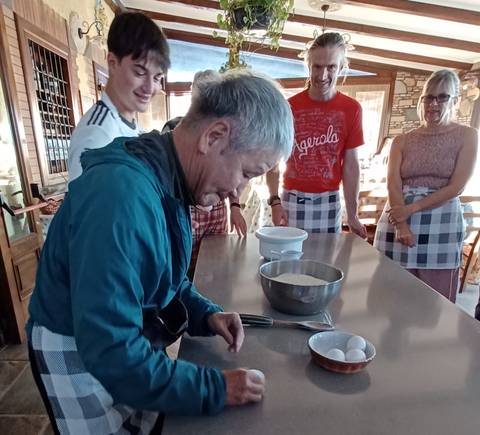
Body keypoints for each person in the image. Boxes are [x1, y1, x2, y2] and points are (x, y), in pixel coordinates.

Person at [27, 68, 294, 434]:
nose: (238, 192)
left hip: (116, 337)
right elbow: (111, 351)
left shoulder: (168, 177)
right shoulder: (120, 197)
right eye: (247, 172)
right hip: (77, 343)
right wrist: (216, 388)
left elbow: (162, 272)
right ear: (214, 136)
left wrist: (205, 314)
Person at [374, 69, 478, 303]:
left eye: (443, 97)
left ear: (456, 101)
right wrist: (401, 224)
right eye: (429, 97)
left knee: (435, 301)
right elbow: (393, 183)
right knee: (389, 295)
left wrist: (411, 209)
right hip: (398, 221)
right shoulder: (402, 140)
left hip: (442, 221)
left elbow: (457, 187)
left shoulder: (468, 136)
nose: (434, 104)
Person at [265, 32, 367, 238]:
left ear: (341, 67)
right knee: (288, 264)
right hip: (292, 200)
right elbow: (273, 160)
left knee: (326, 265)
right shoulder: (288, 107)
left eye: (331, 67)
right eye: (317, 67)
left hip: (329, 201)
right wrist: (275, 201)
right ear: (308, 67)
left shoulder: (352, 109)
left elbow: (350, 165)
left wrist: (353, 215)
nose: (323, 75)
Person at [68, 11, 170, 182]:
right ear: (112, 63)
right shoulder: (97, 134)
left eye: (157, 78)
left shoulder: (135, 130)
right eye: (139, 72)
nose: (150, 87)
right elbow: (89, 206)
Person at [161, 117, 247, 277]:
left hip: (217, 212)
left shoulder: (218, 146)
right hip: (189, 211)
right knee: (184, 257)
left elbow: (229, 178)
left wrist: (235, 207)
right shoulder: (170, 141)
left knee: (216, 258)